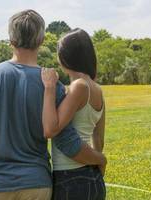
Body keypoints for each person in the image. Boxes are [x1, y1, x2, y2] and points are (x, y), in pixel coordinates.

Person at [0, 9, 107, 200]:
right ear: (41, 40)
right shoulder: (53, 85)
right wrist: (100, 159)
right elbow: (66, 141)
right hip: (38, 184)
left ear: (10, 40)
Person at [41, 28, 106, 200]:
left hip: (71, 177)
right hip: (92, 176)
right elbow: (98, 139)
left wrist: (49, 88)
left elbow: (51, 128)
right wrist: (99, 165)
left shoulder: (79, 86)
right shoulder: (97, 89)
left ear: (64, 58)